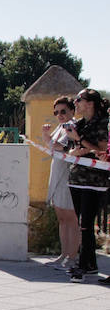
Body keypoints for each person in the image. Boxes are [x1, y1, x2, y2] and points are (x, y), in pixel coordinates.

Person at [63, 89, 109, 283]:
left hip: (94, 181)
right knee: (82, 222)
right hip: (77, 179)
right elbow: (72, 148)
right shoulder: (81, 124)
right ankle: (90, 265)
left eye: (79, 100)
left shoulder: (102, 123)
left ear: (90, 103)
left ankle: (83, 265)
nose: (76, 104)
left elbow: (101, 149)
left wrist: (80, 142)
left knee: (85, 224)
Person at [40, 96, 79, 270]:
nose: (60, 115)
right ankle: (64, 254)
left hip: (68, 175)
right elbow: (52, 145)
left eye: (63, 111)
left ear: (72, 110)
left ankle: (73, 256)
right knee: (62, 218)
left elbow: (62, 147)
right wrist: (46, 136)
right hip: (57, 174)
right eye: (56, 112)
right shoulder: (60, 127)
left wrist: (48, 138)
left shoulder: (73, 126)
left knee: (71, 218)